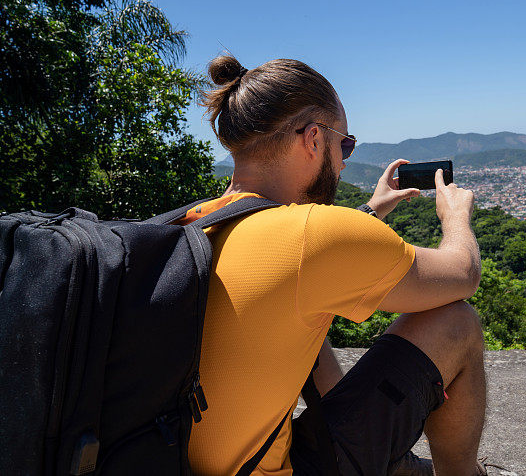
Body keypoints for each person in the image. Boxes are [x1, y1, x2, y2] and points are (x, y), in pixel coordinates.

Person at [178, 56, 487, 476]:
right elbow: (463, 273)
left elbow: (295, 261)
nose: (343, 163)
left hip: (176, 459)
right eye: (345, 145)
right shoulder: (311, 237)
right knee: (458, 321)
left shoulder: (196, 222)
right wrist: (455, 218)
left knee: (304, 320)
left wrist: (369, 212)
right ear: (313, 139)